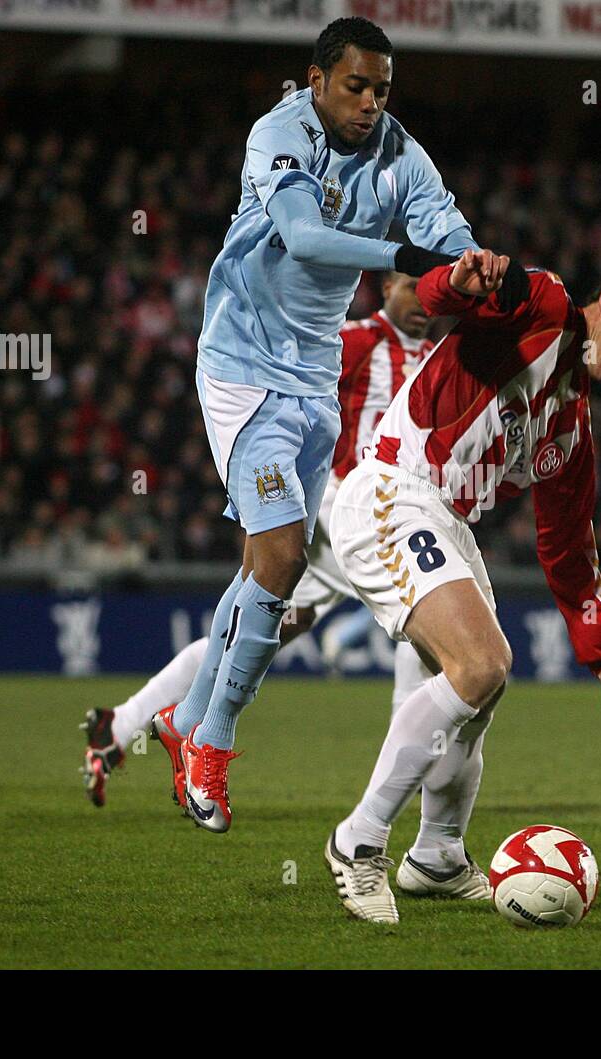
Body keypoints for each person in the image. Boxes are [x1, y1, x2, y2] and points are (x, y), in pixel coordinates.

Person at [163, 16, 521, 835]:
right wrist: (414, 259)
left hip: (316, 380)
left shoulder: (400, 152)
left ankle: (186, 714)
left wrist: (467, 259)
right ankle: (210, 741)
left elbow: (443, 222)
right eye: (355, 86)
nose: (369, 103)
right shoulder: (278, 133)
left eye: (381, 89)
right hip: (243, 369)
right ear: (317, 80)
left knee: (263, 564)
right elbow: (303, 236)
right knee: (285, 557)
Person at [324, 251, 601, 923]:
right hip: (391, 489)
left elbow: (567, 541)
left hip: (445, 521)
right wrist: (459, 277)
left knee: (481, 689)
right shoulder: (547, 305)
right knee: (482, 661)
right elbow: (453, 291)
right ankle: (357, 840)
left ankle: (436, 856)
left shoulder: (572, 425)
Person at [80, 273, 442, 809]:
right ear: (387, 284)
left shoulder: (437, 356)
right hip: (346, 508)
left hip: (384, 514)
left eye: (432, 290)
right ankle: (396, 807)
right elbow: (291, 407)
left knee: (267, 625)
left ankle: (122, 724)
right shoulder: (357, 339)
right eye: (412, 285)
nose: (422, 299)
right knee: (427, 625)